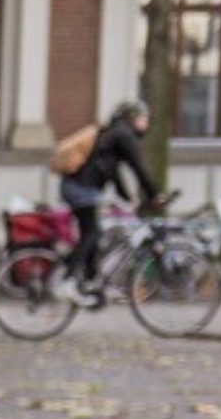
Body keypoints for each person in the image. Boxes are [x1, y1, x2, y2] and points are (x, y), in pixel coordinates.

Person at [56, 98, 163, 304]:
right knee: (92, 232)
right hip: (82, 189)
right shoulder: (124, 135)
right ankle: (67, 281)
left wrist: (127, 198)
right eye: (144, 118)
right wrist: (154, 195)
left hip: (78, 187)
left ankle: (89, 282)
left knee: (94, 233)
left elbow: (113, 172)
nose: (146, 123)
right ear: (133, 118)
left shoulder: (112, 134)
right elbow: (138, 167)